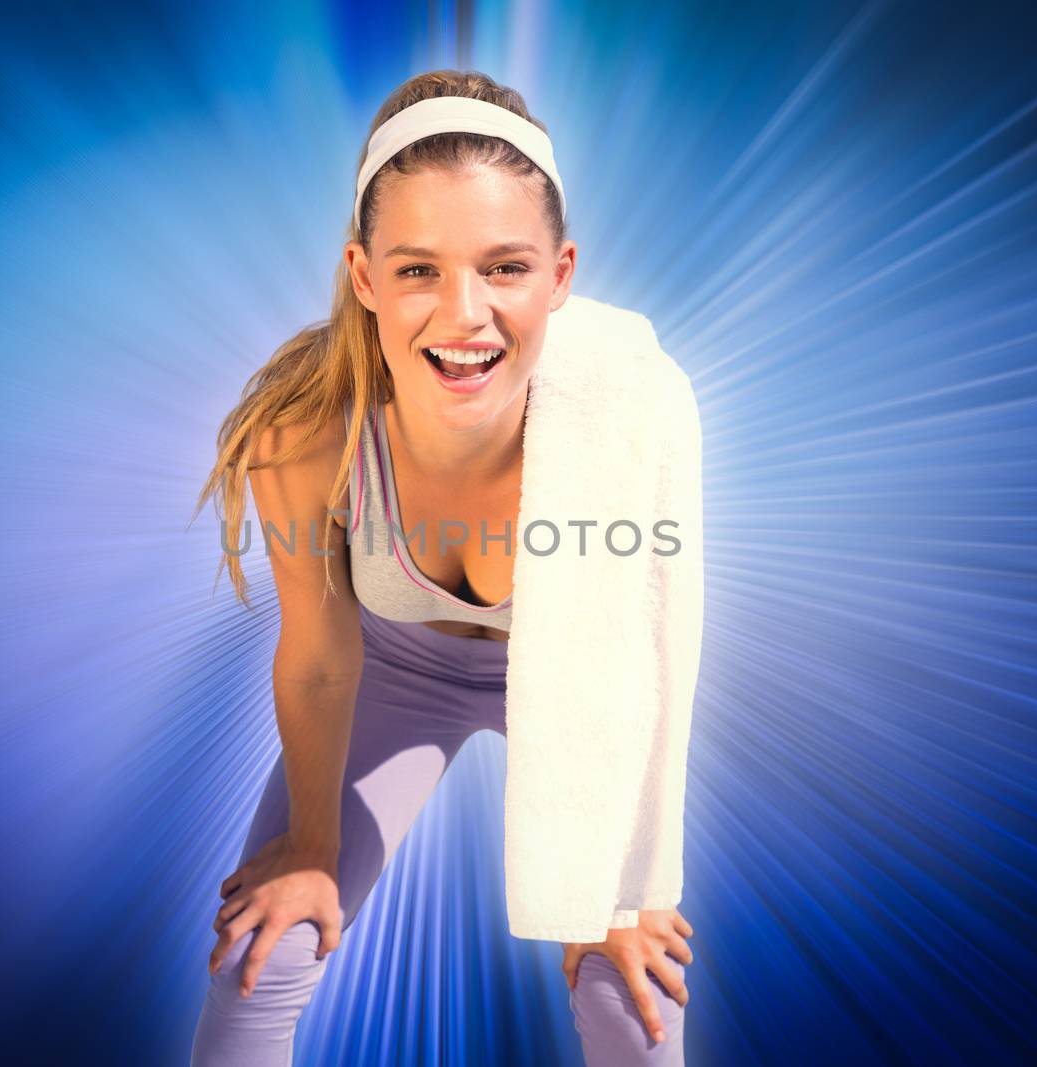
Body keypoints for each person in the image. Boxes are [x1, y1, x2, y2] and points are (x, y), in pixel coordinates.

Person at [190, 69, 695, 1065]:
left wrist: (629, 889)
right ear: (364, 273)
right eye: (418, 268)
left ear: (560, 275)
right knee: (264, 947)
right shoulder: (303, 430)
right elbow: (322, 656)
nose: (463, 314)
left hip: (581, 679)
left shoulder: (631, 406)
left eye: (503, 267)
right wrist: (311, 845)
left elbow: (653, 646)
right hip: (395, 674)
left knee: (629, 989)